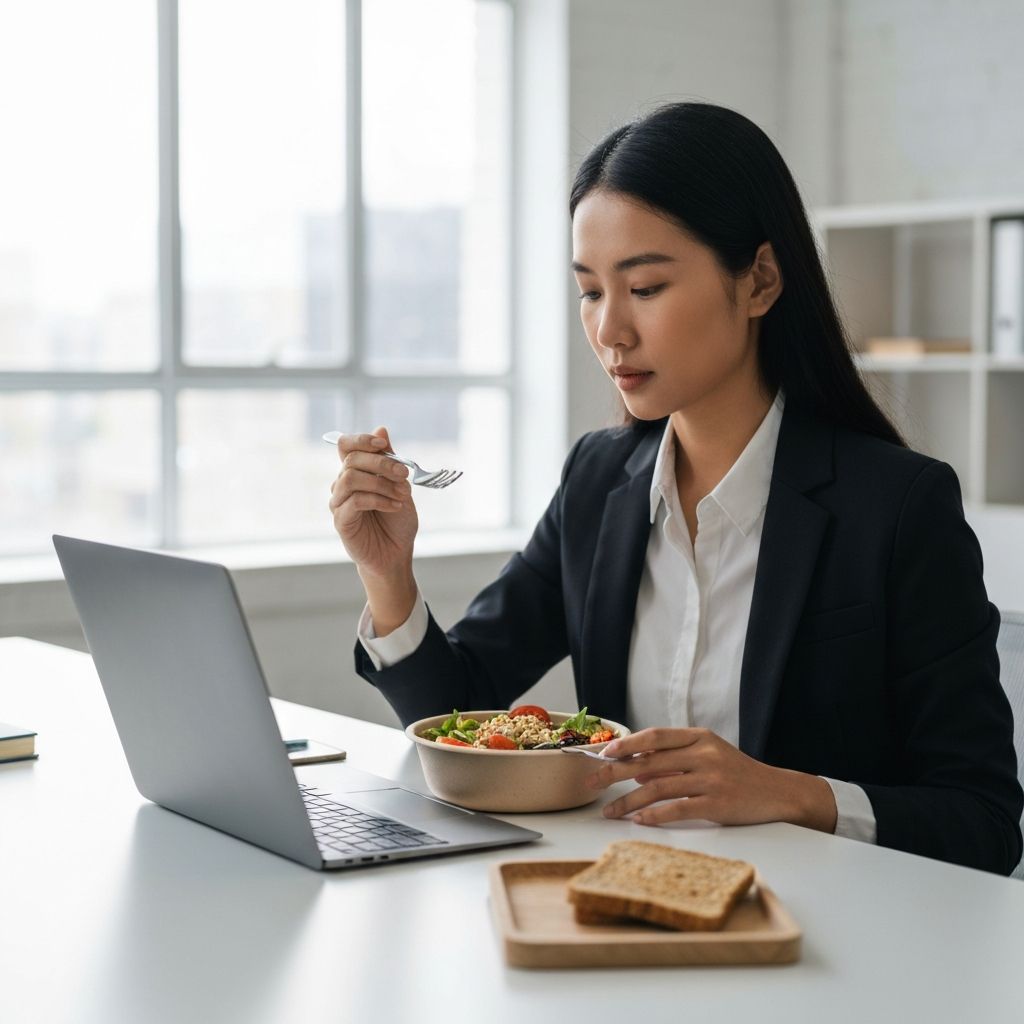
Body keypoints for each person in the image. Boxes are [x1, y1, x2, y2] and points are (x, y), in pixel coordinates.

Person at [328, 102, 1022, 875]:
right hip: (629, 906)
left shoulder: (897, 506)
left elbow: (985, 823)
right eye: (591, 291)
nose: (610, 331)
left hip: (825, 943)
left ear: (759, 280)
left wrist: (788, 792)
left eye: (647, 287)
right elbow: (454, 711)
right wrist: (388, 574)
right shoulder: (598, 481)